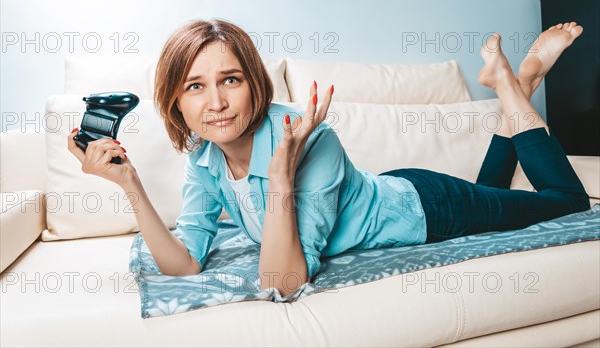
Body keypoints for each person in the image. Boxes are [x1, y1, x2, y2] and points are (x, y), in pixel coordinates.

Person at [67, 19, 590, 297]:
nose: (217, 103)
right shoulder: (206, 157)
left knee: (565, 202)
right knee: (497, 190)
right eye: (195, 87)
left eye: (230, 79)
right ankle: (513, 88)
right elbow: (183, 265)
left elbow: (285, 281)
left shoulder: (309, 137)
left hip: (428, 208)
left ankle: (513, 84)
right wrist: (129, 184)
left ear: (255, 83)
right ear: (177, 102)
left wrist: (279, 176)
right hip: (397, 190)